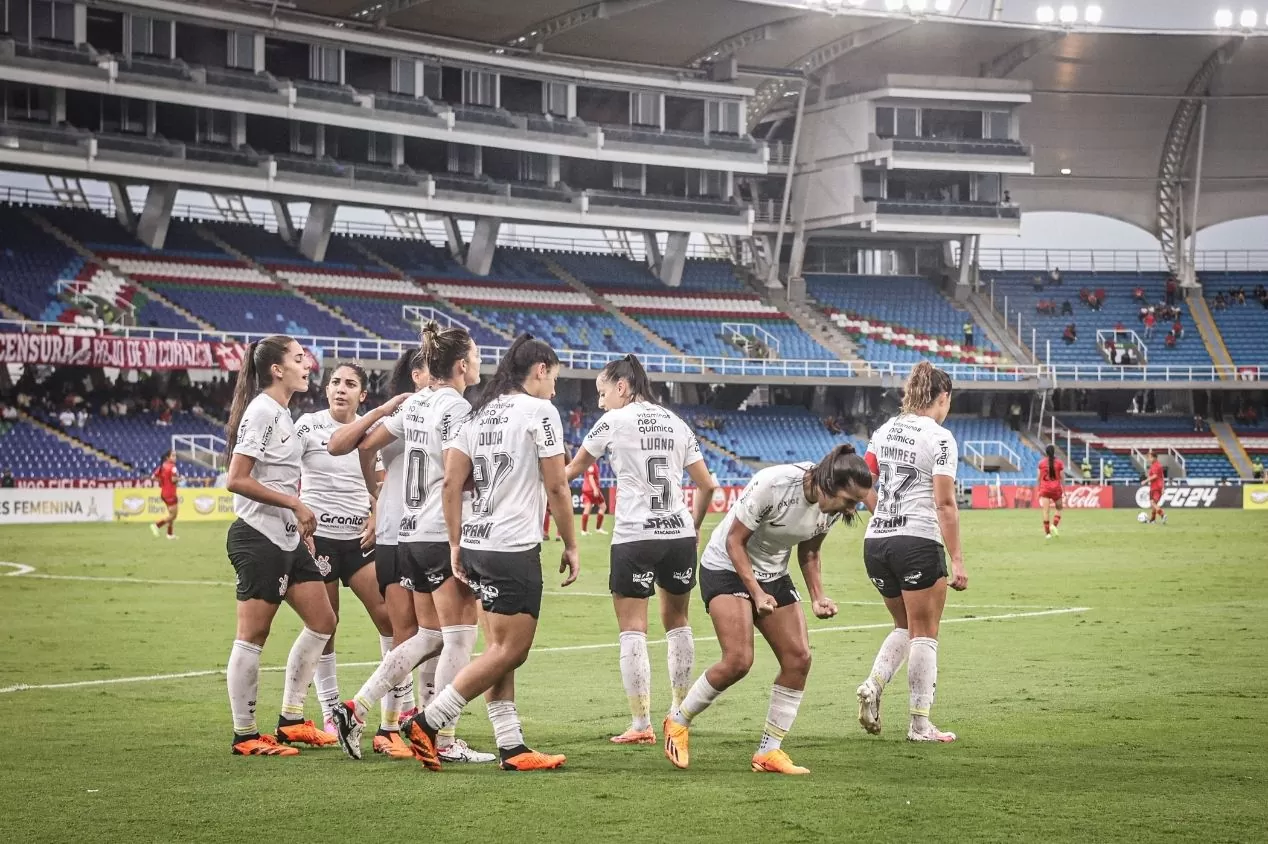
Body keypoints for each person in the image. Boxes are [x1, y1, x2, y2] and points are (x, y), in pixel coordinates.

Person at [401, 334, 578, 772]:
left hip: (477, 542)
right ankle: (430, 720)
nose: (554, 389)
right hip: (512, 545)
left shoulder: (478, 413)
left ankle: (511, 745)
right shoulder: (540, 411)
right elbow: (556, 485)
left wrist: (457, 543)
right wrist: (571, 543)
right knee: (510, 650)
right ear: (539, 370)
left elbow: (452, 482)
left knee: (499, 646)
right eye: (553, 377)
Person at [330, 324, 495, 764]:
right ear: (461, 365)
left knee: (427, 636)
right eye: (475, 356)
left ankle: (355, 707)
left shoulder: (416, 403)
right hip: (441, 533)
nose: (478, 363)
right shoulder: (458, 409)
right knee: (460, 638)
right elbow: (462, 477)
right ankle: (443, 738)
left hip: (407, 534)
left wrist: (378, 494)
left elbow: (365, 444)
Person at [662, 446, 871, 775]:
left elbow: (810, 553)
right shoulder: (773, 484)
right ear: (830, 483)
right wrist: (756, 593)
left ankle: (769, 751)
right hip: (726, 567)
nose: (851, 509)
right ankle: (677, 722)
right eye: (849, 500)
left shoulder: (830, 508)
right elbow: (734, 542)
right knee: (739, 661)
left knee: (799, 659)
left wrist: (818, 596)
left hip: (773, 573)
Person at [565, 355, 719, 745]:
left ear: (621, 387)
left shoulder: (612, 422)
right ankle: (679, 715)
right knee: (679, 623)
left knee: (633, 630)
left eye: (603, 393)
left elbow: (569, 473)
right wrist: (695, 527)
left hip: (635, 535)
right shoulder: (677, 423)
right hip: (678, 534)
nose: (600, 403)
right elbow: (708, 487)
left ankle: (641, 724)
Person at [222, 335, 338, 756]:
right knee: (253, 635)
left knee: (324, 621)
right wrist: (294, 502)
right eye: (297, 357)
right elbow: (237, 479)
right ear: (276, 369)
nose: (307, 363)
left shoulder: (283, 414)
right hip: (258, 537)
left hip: (287, 538)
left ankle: (291, 720)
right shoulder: (262, 412)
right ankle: (246, 736)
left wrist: (297, 519)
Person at [292, 363, 410, 758]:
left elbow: (382, 480)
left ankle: (396, 712)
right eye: (335, 383)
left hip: (359, 539)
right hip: (319, 539)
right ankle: (330, 710)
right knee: (327, 626)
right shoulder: (307, 425)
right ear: (327, 390)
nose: (340, 389)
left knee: (390, 618)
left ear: (363, 394)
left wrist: (377, 513)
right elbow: (287, 476)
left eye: (351, 384)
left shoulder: (372, 433)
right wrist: (297, 518)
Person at [855, 361, 968, 744]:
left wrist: (883, 515)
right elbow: (945, 502)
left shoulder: (884, 430)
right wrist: (957, 560)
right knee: (925, 634)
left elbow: (861, 484)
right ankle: (920, 725)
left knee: (903, 626)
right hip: (918, 540)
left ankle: (874, 683)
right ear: (943, 396)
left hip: (877, 542)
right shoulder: (940, 437)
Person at [325, 348, 429, 751]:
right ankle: (398, 723)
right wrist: (376, 494)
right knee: (429, 632)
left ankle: (401, 718)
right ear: (419, 374)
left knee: (407, 630)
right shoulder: (409, 412)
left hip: (394, 531)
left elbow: (366, 452)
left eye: (350, 383)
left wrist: (375, 499)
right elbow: (351, 446)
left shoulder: (414, 412)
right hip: (411, 533)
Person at [150, 449, 180, 540]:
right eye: (173, 456)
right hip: (170, 494)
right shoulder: (173, 467)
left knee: (171, 514)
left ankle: (169, 534)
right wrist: (180, 478)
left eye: (175, 455)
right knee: (173, 515)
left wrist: (162, 481)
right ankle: (156, 525)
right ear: (168, 457)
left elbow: (153, 477)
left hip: (164, 493)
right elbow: (173, 480)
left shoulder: (162, 466)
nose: (175, 458)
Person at [1037, 444, 1064, 539]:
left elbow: (1038, 478)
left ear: (1046, 452)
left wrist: (1038, 488)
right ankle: (1054, 525)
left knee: (1045, 511)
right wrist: (1064, 489)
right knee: (1059, 508)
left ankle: (1047, 534)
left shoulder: (1041, 463)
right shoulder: (1059, 463)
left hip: (1045, 489)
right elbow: (1062, 477)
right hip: (1056, 489)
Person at [579, 459, 608, 535]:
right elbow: (591, 478)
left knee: (587, 508)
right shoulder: (592, 465)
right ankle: (598, 528)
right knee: (603, 507)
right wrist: (595, 489)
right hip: (592, 490)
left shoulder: (589, 464)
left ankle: (584, 531)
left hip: (586, 489)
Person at [1146, 451, 1167, 525]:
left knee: (1153, 503)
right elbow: (1162, 477)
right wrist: (1163, 487)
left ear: (1154, 457)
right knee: (1153, 505)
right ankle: (1152, 520)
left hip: (1155, 487)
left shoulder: (1155, 465)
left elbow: (1155, 476)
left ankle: (1162, 514)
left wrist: (1146, 480)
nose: (1149, 459)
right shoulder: (1158, 465)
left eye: (1150, 457)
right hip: (1157, 487)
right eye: (1148, 457)